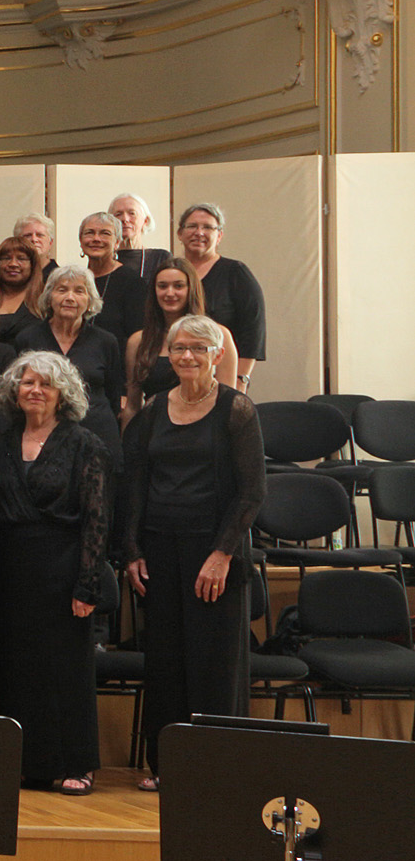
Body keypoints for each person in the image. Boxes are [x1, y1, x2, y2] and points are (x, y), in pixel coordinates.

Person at [116, 316, 266, 776]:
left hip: (214, 551)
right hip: (160, 550)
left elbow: (251, 491)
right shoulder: (153, 411)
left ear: (217, 355)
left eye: (198, 349)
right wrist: (132, 550)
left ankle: (217, 767)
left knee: (215, 662)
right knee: (166, 661)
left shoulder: (237, 409)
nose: (186, 356)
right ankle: (167, 766)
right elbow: (135, 485)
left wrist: (222, 555)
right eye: (179, 348)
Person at [0, 353, 109, 796]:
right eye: (27, 382)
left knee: (66, 668)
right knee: (17, 666)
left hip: (63, 565)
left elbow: (97, 519)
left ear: (63, 394)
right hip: (11, 567)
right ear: (13, 391)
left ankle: (77, 761)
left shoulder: (84, 443)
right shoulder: (0, 441)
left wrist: (88, 581)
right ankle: (29, 762)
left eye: (46, 384)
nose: (35, 390)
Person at [13, 265, 125, 449]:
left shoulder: (106, 341)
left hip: (98, 436)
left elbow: (114, 397)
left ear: (89, 300)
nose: (70, 298)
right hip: (43, 439)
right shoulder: (28, 338)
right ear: (49, 297)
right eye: (62, 290)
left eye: (79, 291)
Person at [123, 260, 238, 414]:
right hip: (154, 430)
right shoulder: (138, 341)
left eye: (178, 286)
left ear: (191, 289)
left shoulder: (220, 335)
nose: (170, 293)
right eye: (162, 286)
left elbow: (227, 402)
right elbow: (132, 407)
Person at [175, 203, 264, 387]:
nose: (199, 232)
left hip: (222, 379)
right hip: (174, 376)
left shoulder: (236, 273)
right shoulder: (171, 272)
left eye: (207, 227)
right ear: (180, 234)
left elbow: (252, 332)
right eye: (192, 226)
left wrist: (240, 380)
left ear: (219, 236)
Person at [75, 210, 147, 346]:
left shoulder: (133, 283)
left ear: (117, 242)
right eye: (89, 233)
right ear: (81, 241)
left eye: (105, 233)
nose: (96, 239)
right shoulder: (76, 280)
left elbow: (137, 336)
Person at [0, 236, 45, 332]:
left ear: (32, 265)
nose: (13, 264)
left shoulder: (44, 300)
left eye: (21, 259)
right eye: (6, 258)